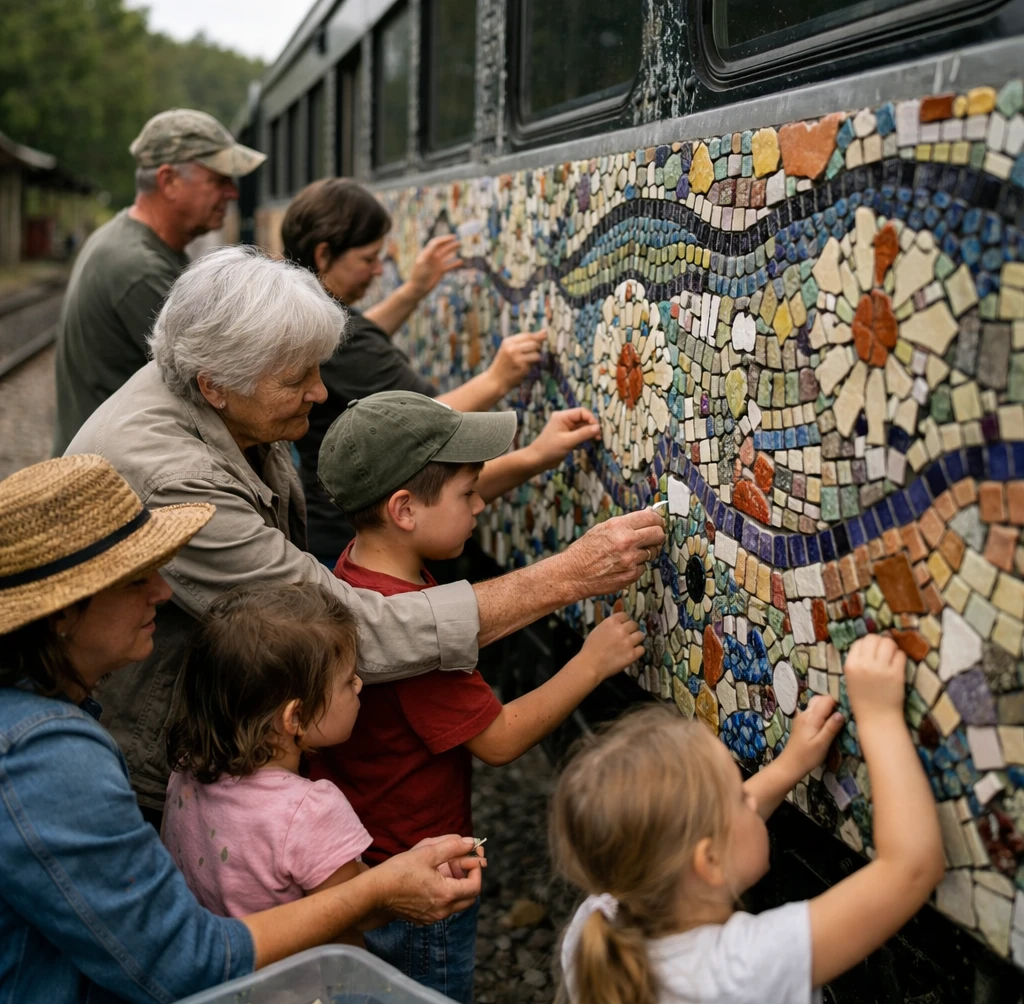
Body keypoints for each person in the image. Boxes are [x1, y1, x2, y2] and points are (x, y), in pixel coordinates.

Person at [65, 246, 666, 822]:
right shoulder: (178, 479)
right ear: (214, 384)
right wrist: (569, 574)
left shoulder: (223, 394)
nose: (321, 392)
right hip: (155, 755)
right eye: (297, 378)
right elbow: (342, 635)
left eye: (318, 370)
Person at [0, 455, 483, 1004]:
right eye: (136, 578)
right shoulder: (47, 760)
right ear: (60, 616)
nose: (161, 590)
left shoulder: (147, 748)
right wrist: (381, 890)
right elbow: (188, 962)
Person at [308, 389, 647, 1003]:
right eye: (468, 494)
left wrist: (539, 455)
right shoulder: (413, 637)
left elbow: (450, 512)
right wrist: (591, 663)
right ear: (404, 510)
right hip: (420, 879)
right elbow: (500, 738)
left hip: (371, 845)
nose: (479, 507)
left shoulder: (358, 568)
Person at [552, 634, 945, 1004]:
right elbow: (909, 868)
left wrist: (791, 765)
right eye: (739, 798)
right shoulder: (742, 971)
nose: (750, 798)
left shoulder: (599, 922)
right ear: (709, 861)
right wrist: (879, 714)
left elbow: (693, 829)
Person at [281, 177, 600, 562]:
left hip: (332, 536)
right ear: (323, 255)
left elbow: (357, 337)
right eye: (368, 259)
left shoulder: (307, 317)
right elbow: (423, 426)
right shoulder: (338, 340)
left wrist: (414, 290)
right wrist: (498, 379)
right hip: (343, 541)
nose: (379, 271)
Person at [163, 581, 482, 939]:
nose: (359, 685)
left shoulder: (187, 769)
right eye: (347, 681)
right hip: (307, 990)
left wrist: (410, 863)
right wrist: (423, 876)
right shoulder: (309, 810)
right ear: (294, 719)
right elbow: (355, 911)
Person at [52, 108, 265, 453]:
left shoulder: (134, 242)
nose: (232, 193)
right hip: (108, 480)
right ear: (168, 181)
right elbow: (221, 384)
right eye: (218, 180)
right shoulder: (139, 267)